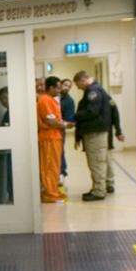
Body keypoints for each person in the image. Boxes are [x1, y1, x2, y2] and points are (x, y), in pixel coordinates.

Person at [72, 70, 125, 201]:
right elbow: (114, 109)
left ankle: (99, 191)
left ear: (83, 80)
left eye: (78, 85)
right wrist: (117, 130)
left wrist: (74, 117)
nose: (78, 88)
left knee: (96, 162)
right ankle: (104, 185)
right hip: (101, 132)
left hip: (95, 133)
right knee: (103, 160)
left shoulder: (93, 92)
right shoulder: (101, 90)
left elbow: (92, 112)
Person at [37, 76, 68, 203]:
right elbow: (50, 121)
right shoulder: (45, 100)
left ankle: (53, 191)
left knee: (54, 166)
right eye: (58, 88)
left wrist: (62, 124)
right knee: (49, 167)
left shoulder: (51, 100)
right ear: (50, 88)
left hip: (54, 137)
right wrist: (65, 125)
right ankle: (50, 194)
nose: (60, 90)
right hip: (48, 138)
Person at [58, 78, 76, 179]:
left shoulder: (69, 101)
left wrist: (60, 123)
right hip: (48, 130)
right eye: (65, 84)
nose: (66, 87)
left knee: (60, 151)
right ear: (60, 84)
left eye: (69, 86)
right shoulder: (53, 96)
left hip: (60, 130)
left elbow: (70, 120)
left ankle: (62, 172)